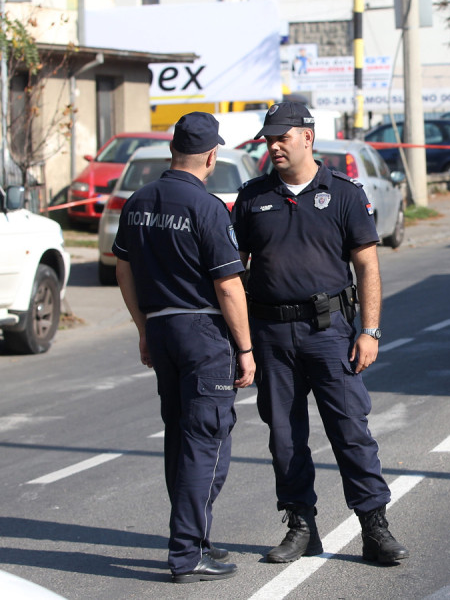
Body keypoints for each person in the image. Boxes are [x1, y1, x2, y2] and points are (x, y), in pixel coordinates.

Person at [231, 102, 409, 566]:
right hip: (271, 334)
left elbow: (367, 266)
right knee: (285, 437)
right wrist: (241, 339)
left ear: (306, 138)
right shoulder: (253, 198)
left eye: (281, 138)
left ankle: (374, 527)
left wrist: (369, 330)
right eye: (268, 139)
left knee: (350, 430)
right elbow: (237, 272)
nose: (272, 146)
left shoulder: (345, 192)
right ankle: (301, 526)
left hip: (329, 331)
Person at [113, 112, 255, 584]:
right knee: (207, 439)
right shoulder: (208, 206)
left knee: (181, 437)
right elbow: (229, 286)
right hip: (203, 333)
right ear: (212, 155)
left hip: (161, 329)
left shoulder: (137, 201)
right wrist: (247, 348)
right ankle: (187, 552)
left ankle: (196, 537)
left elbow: (123, 269)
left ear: (173, 149)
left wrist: (143, 327)